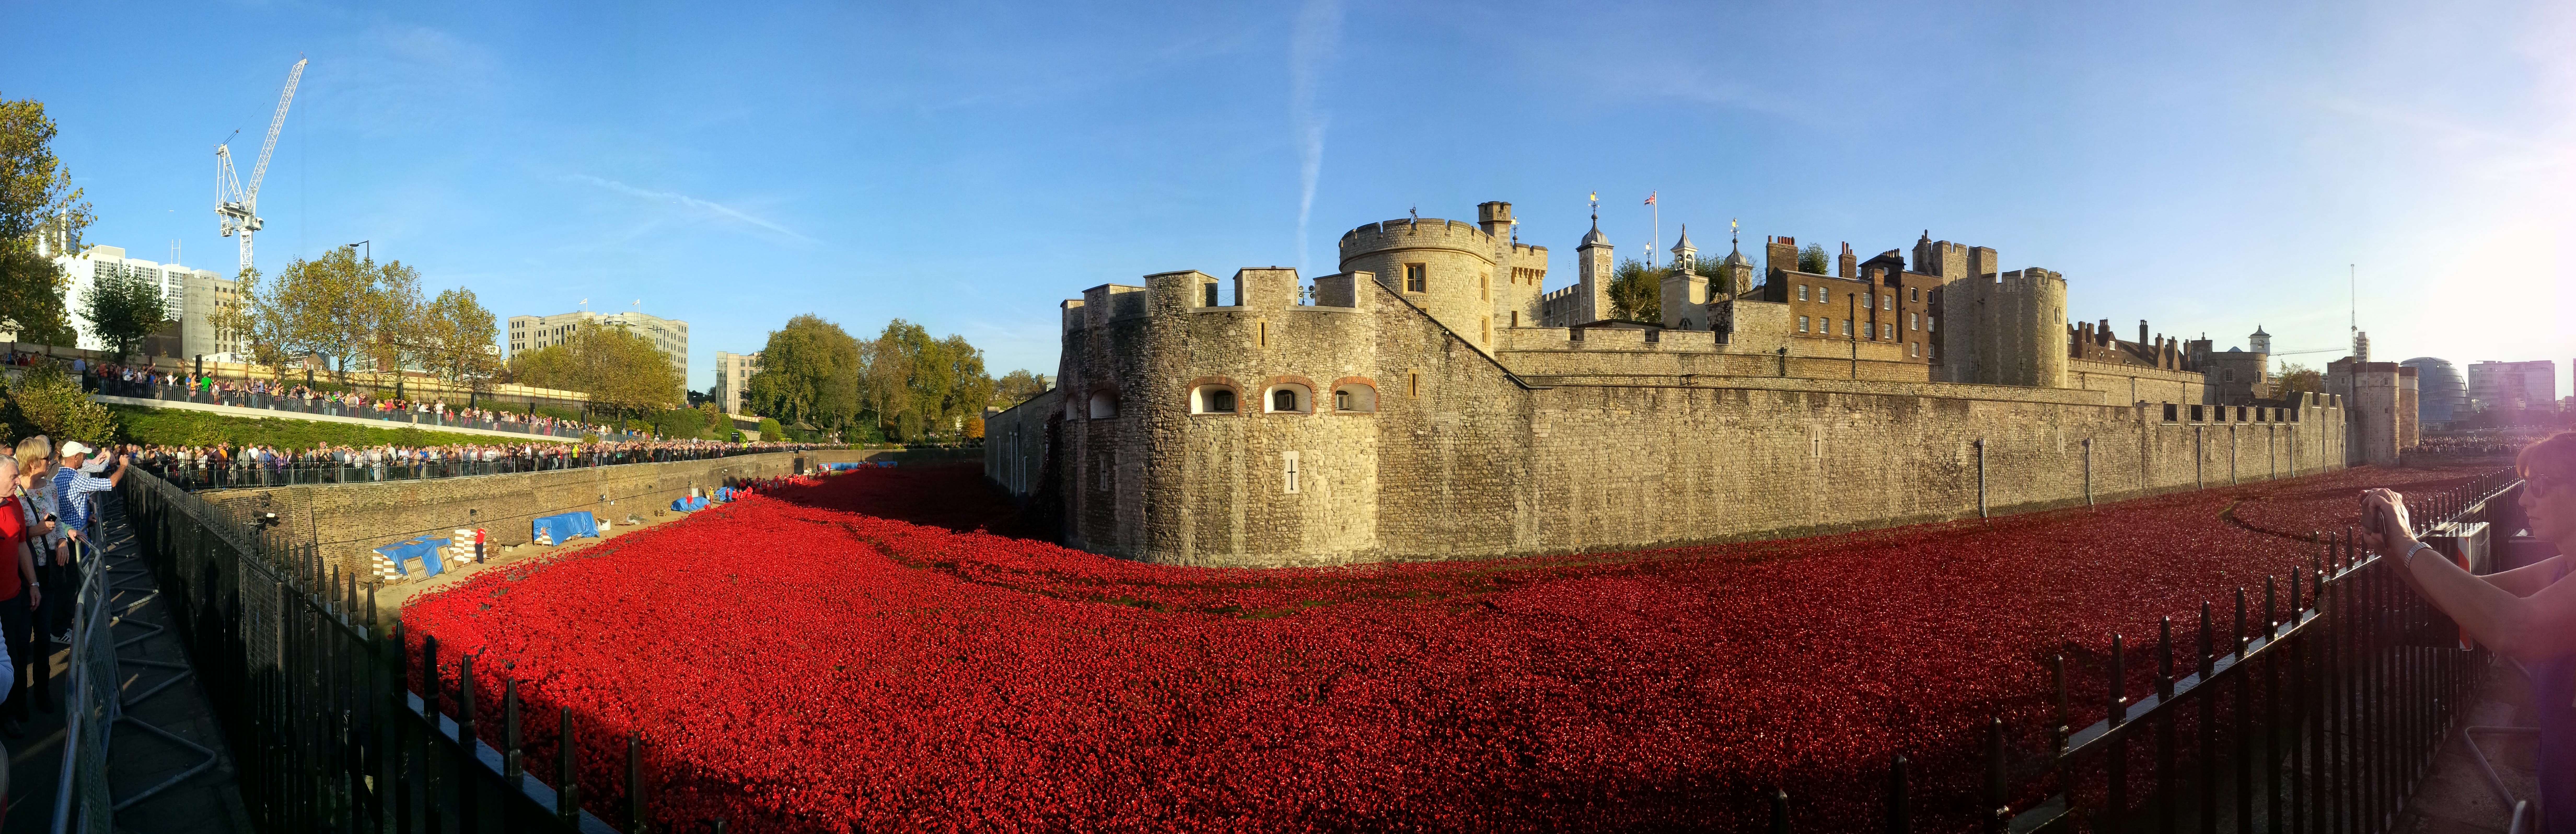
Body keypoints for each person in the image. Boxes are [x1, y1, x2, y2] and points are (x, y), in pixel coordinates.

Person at [2360, 431, 2576, 828]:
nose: (2525, 499)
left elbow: (2515, 626)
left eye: (2540, 486)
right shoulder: (2561, 570)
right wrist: (2392, 550)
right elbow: (2468, 598)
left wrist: (2409, 542)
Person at [0, 457, 38, 737]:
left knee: (15, 654)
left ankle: (14, 711)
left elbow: (22, 544)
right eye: (14, 476)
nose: (18, 481)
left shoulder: (14, 503)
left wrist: (33, 582)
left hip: (14, 596)